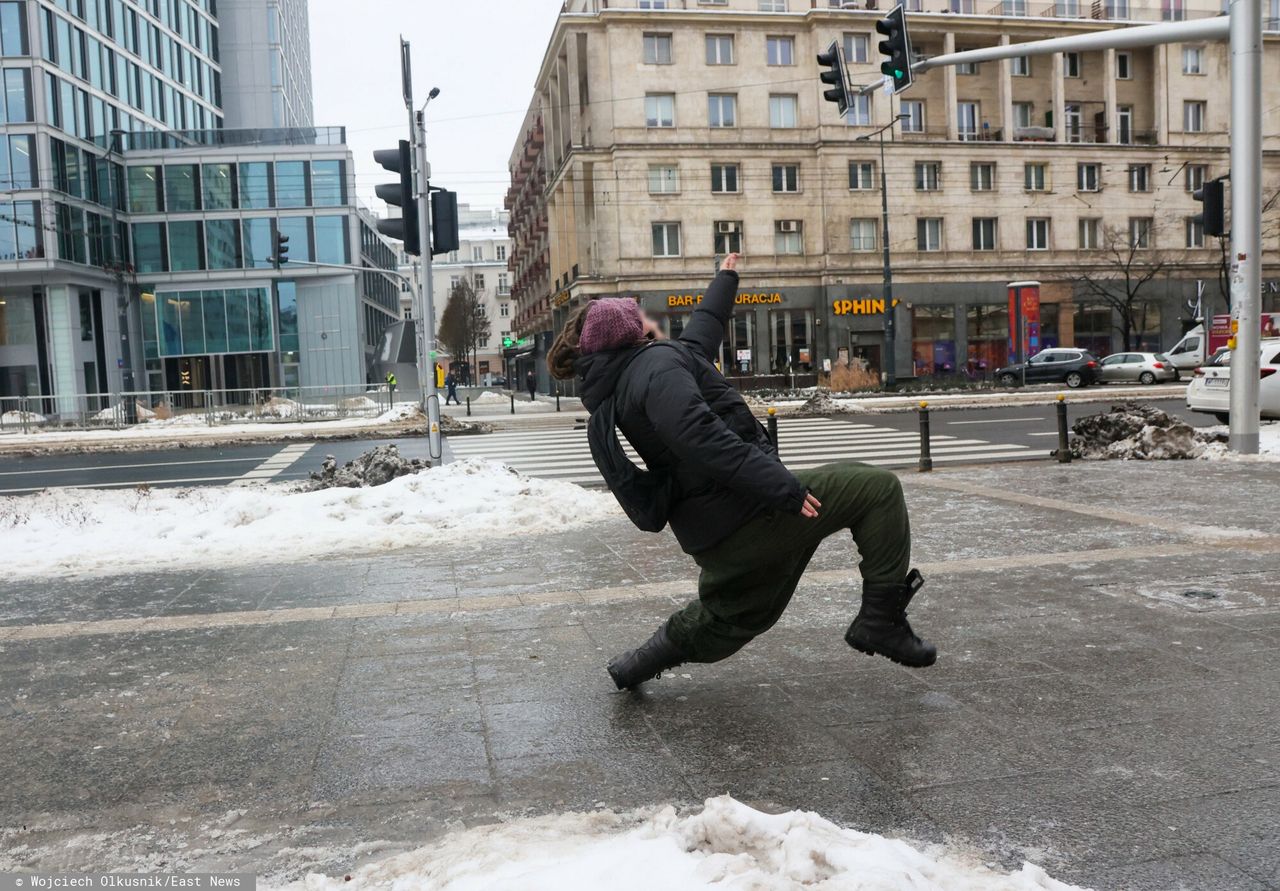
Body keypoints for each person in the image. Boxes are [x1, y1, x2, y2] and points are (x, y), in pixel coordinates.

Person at [548, 253, 935, 690]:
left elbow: (701, 335)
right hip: (745, 514)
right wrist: (780, 488)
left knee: (735, 617)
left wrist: (726, 278)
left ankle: (637, 663)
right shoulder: (656, 368)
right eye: (640, 317)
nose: (649, 321)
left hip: (714, 531)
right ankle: (879, 620)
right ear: (630, 332)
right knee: (876, 489)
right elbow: (698, 435)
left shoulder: (637, 373)